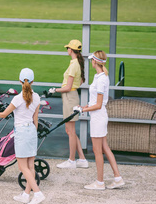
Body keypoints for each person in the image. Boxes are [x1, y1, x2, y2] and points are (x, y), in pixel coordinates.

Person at [0, 68, 45, 204]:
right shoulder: (38, 97)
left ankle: (38, 193)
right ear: (32, 81)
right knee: (30, 165)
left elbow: (3, 115)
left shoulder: (18, 98)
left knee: (23, 166)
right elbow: (35, 119)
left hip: (21, 132)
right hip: (32, 131)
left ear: (19, 81)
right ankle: (26, 195)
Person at [73, 51, 125, 190]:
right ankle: (118, 178)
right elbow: (94, 102)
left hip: (98, 118)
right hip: (97, 116)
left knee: (98, 150)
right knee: (105, 148)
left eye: (92, 60)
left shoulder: (102, 79)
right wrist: (84, 106)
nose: (91, 62)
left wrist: (83, 110)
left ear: (95, 62)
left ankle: (100, 182)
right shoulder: (99, 76)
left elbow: (99, 104)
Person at [49, 39, 88, 169]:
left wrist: (54, 90)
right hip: (71, 97)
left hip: (69, 97)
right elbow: (81, 81)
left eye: (68, 48)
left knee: (70, 131)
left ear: (70, 50)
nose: (67, 50)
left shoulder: (74, 65)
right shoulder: (77, 63)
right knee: (69, 130)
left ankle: (71, 161)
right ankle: (82, 159)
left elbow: (68, 87)